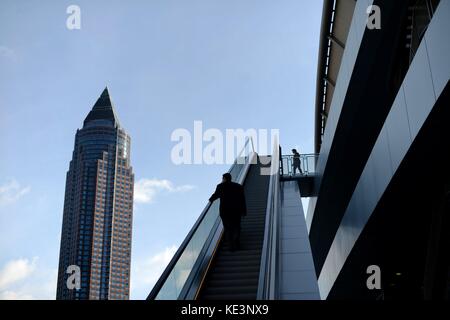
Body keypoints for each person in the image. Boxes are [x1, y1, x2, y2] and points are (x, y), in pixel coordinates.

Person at [209, 173, 247, 251]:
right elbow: (242, 200)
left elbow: (215, 195)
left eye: (222, 178)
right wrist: (244, 211)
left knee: (228, 228)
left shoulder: (220, 186)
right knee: (237, 226)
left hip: (225, 211)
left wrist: (210, 200)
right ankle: (237, 240)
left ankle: (231, 246)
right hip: (236, 210)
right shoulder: (238, 187)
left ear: (224, 179)